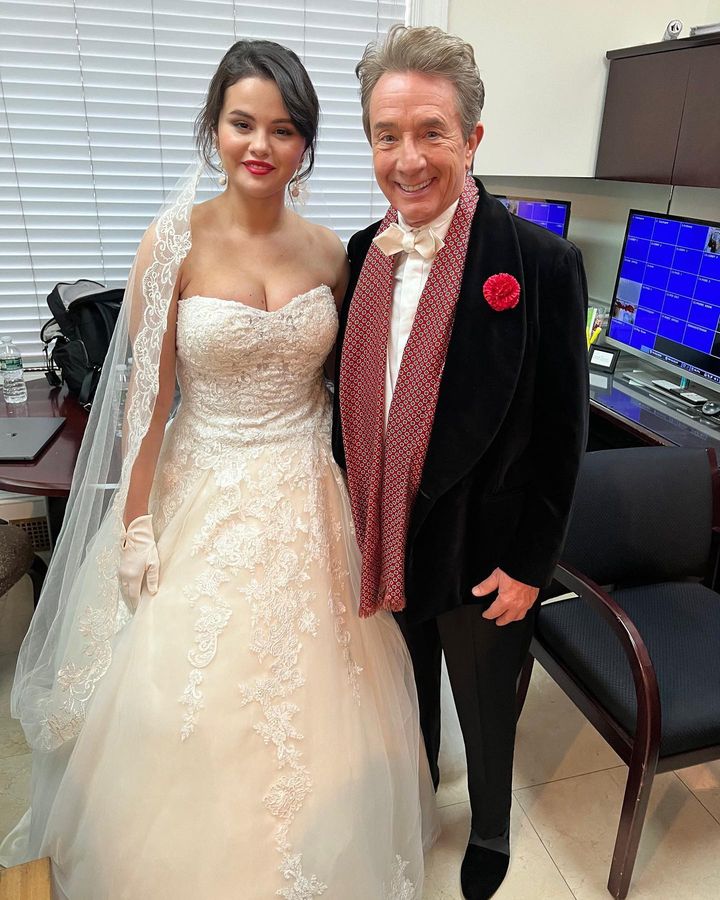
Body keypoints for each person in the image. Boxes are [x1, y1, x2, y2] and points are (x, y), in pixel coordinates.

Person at [0, 39, 435, 899]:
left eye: (284, 129)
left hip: (308, 491)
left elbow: (353, 387)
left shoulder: (334, 254)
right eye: (242, 123)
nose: (260, 145)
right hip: (203, 478)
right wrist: (135, 523)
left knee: (324, 701)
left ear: (307, 142)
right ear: (214, 126)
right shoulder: (172, 243)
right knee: (185, 694)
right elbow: (146, 400)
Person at [332, 25, 589, 900]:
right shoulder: (361, 255)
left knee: (486, 716)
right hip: (387, 535)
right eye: (386, 135)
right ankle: (418, 799)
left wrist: (531, 565)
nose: (407, 159)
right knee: (406, 697)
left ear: (472, 139)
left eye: (431, 132)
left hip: (486, 552)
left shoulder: (541, 263)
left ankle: (489, 827)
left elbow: (563, 433)